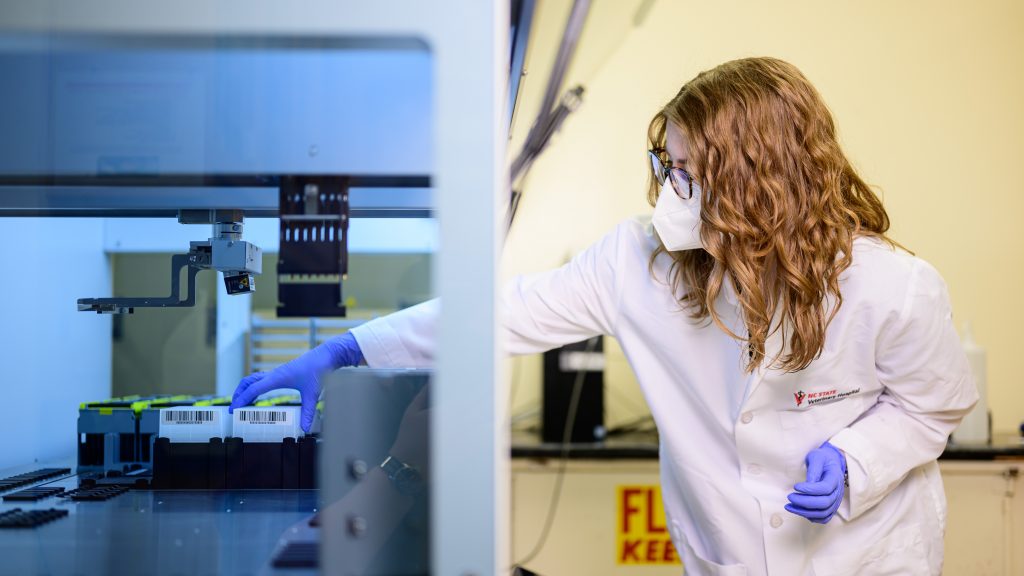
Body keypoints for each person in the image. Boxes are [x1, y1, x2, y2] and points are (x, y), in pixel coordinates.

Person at [231, 57, 977, 575]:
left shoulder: (892, 287)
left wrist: (858, 461)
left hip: (870, 556)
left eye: (691, 175)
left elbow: (933, 403)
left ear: (763, 183)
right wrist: (347, 351)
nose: (669, 194)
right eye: (667, 168)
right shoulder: (638, 264)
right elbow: (504, 311)